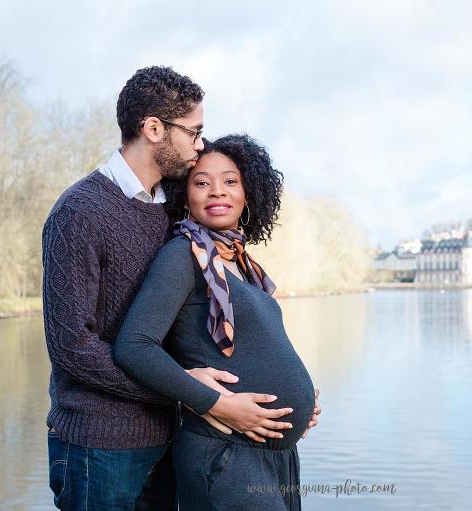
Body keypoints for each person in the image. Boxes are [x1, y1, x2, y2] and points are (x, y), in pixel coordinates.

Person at [41, 66, 293, 510]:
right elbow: (71, 347)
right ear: (154, 129)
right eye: (194, 132)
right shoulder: (78, 213)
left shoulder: (172, 214)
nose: (200, 146)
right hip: (98, 447)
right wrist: (192, 392)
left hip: (168, 438)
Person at [114, 134, 320, 510]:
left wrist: (304, 401)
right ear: (185, 195)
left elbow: (260, 350)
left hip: (276, 457)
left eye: (230, 181)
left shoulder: (244, 267)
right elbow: (134, 346)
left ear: (249, 194)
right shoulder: (182, 255)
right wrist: (214, 402)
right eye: (202, 182)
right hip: (225, 454)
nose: (216, 192)